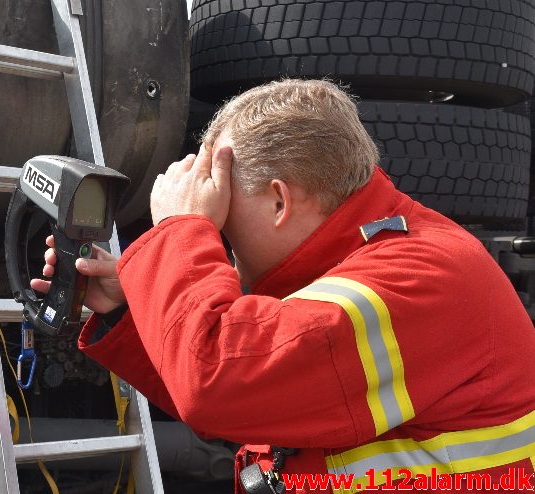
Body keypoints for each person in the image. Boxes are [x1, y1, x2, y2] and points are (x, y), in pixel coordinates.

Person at [32, 79, 535, 493]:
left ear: (280, 202)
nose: (221, 243)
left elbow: (218, 383)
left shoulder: (422, 277)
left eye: (223, 218)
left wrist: (183, 231)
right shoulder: (357, 254)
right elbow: (256, 390)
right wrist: (129, 306)